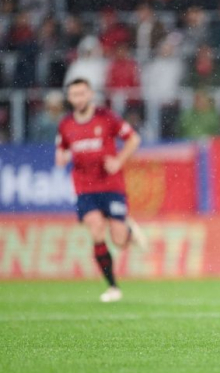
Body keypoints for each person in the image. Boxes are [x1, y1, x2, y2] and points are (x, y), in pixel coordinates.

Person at [55, 78, 147, 303]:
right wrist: (61, 157)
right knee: (96, 229)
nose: (79, 98)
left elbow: (133, 139)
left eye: (82, 94)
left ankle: (128, 230)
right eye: (74, 95)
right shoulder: (65, 125)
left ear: (91, 95)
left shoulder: (107, 117)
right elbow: (61, 151)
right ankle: (113, 286)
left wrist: (118, 160)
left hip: (111, 185)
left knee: (118, 240)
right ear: (69, 98)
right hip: (85, 188)